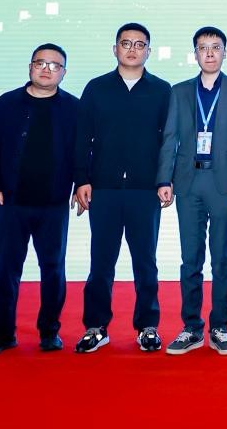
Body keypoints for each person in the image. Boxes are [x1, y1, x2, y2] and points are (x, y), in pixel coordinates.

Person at [72, 23, 172, 354]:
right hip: (103, 189)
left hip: (146, 190)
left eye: (139, 44)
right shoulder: (96, 88)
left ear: (148, 51)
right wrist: (81, 180)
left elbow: (170, 141)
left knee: (146, 262)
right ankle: (96, 326)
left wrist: (165, 179)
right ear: (115, 49)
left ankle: (148, 326)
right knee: (101, 261)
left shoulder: (161, 90)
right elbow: (81, 138)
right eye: (125, 43)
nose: (132, 49)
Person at [157, 26, 227, 355]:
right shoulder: (180, 91)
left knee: (222, 258)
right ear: (195, 54)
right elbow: (170, 138)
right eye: (203, 47)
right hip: (188, 183)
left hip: (225, 183)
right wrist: (164, 179)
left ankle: (220, 327)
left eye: (216, 47)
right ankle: (191, 327)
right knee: (190, 259)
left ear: (225, 52)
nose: (210, 53)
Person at [0, 43, 79, 357]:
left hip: (54, 204)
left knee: (53, 269)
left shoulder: (73, 107)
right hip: (12, 202)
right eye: (40, 63)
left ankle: (50, 332)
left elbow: (82, 153)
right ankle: (2, 333)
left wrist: (82, 184)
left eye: (54, 65)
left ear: (63, 72)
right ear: (30, 67)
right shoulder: (6, 103)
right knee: (7, 270)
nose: (46, 70)